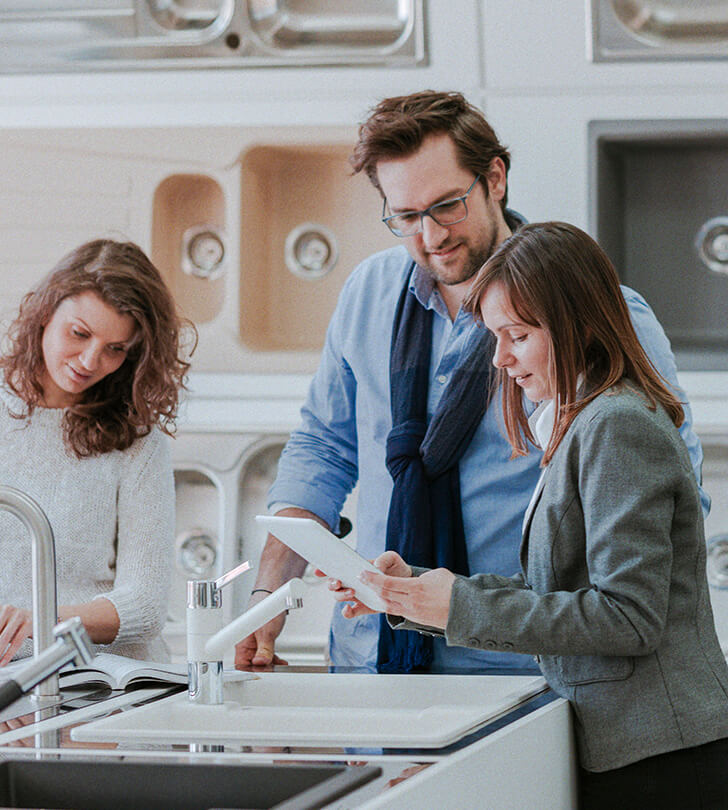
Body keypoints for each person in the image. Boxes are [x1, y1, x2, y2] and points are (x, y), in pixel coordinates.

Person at [236, 90, 708, 673]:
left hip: (520, 670)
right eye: (406, 217)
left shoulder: (597, 312)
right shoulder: (369, 295)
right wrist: (269, 597)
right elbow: (322, 451)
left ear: (496, 179)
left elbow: (672, 495)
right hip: (371, 652)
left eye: (448, 205)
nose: (431, 236)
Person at [343, 222, 728, 809]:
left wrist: (459, 605)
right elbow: (557, 588)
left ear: (575, 325)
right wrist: (418, 593)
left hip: (663, 759)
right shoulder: (581, 424)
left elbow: (629, 617)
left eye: (516, 336)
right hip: (633, 747)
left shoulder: (617, 425)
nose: (500, 359)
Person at [0, 239, 195, 664]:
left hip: (104, 682)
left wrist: (40, 620)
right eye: (80, 333)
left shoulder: (136, 439)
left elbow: (143, 609)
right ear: (46, 311)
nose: (90, 361)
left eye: (115, 349)